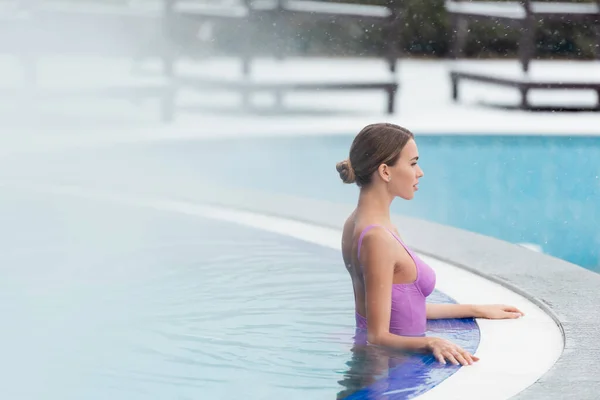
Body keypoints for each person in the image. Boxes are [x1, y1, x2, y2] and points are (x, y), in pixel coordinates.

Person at [336, 122, 524, 366]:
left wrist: (476, 309)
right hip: (392, 373)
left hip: (385, 366)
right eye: (413, 163)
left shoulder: (357, 223)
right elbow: (378, 336)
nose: (420, 172)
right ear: (385, 171)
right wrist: (431, 342)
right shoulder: (377, 237)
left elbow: (403, 310)